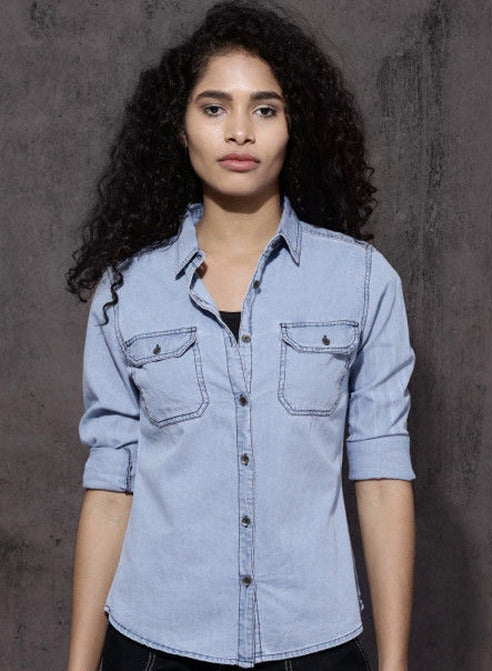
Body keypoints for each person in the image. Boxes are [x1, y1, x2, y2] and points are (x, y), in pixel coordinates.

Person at [65, 1, 416, 669]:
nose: (239, 131)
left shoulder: (362, 282)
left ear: (293, 124)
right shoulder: (126, 291)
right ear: (179, 128)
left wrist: (394, 663)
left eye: (265, 108)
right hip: (155, 643)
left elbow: (380, 477)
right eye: (213, 107)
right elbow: (110, 489)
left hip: (312, 643)